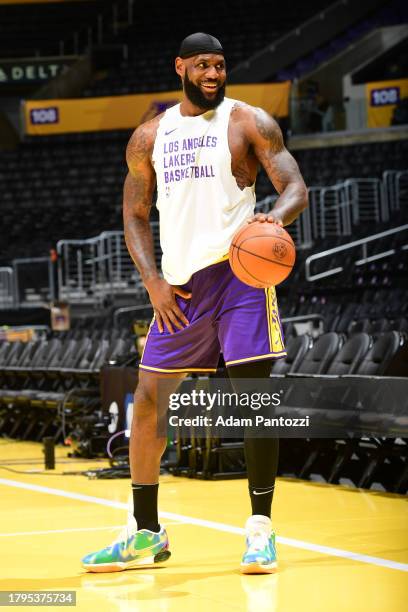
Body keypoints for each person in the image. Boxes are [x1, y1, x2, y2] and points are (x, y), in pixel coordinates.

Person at [82, 32, 308, 575]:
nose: (213, 73)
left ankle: (260, 529)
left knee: (253, 397)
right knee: (149, 400)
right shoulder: (149, 136)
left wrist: (273, 220)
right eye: (203, 65)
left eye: (221, 65)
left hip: (240, 275)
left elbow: (294, 184)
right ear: (180, 67)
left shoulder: (248, 121)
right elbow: (134, 214)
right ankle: (146, 533)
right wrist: (153, 282)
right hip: (179, 287)